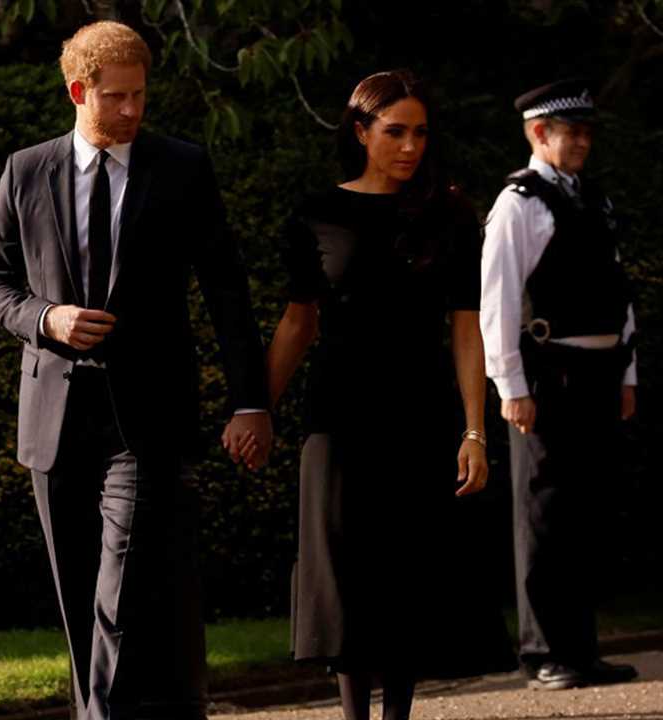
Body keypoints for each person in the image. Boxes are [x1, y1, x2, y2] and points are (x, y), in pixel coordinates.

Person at [0, 21, 271, 720]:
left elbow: (226, 287)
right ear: (77, 91)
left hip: (147, 416)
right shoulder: (27, 169)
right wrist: (46, 318)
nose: (134, 110)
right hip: (52, 415)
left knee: (122, 581)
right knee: (79, 590)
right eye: (117, 97)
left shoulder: (181, 166)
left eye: (140, 94)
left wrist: (250, 399)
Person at [265, 70, 515, 720]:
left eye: (420, 133)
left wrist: (474, 429)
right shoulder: (316, 213)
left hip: (422, 414)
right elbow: (298, 322)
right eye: (395, 131)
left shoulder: (451, 215)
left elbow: (467, 327)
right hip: (339, 416)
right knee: (346, 573)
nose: (410, 146)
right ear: (360, 131)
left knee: (406, 577)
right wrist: (255, 408)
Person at [481, 79, 639, 691]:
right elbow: (496, 301)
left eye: (586, 131)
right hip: (548, 378)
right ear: (537, 134)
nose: (581, 142)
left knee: (587, 514)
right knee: (543, 514)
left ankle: (580, 649)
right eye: (569, 131)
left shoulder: (592, 201)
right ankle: (543, 651)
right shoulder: (518, 203)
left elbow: (619, 295)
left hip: (600, 375)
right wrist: (510, 386)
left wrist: (627, 373)